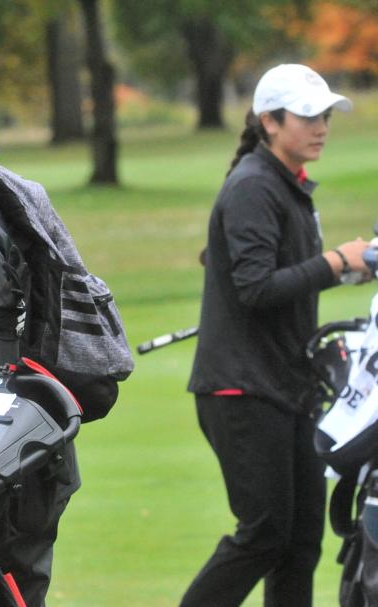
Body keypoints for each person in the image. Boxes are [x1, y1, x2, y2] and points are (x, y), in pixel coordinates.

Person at [182, 63, 373, 607]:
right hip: (242, 392)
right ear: (270, 121)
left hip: (288, 387)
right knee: (264, 534)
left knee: (300, 542)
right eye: (308, 116)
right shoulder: (253, 186)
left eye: (326, 116)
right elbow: (256, 289)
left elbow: (285, 279)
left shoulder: (283, 185)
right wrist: (336, 261)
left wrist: (351, 268)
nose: (321, 127)